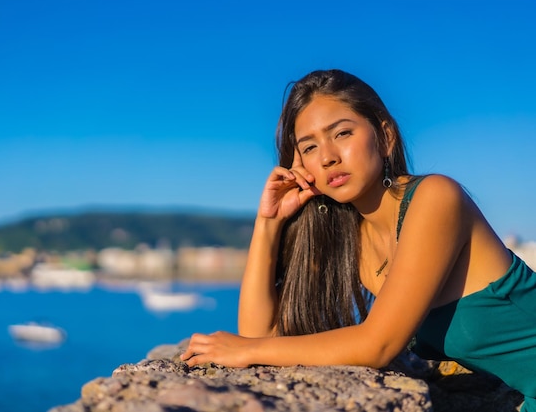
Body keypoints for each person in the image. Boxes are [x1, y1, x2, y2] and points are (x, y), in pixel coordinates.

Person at [180, 69, 536, 411]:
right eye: (309, 147)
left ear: (385, 137)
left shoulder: (435, 197)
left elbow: (376, 344)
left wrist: (246, 351)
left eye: (342, 133)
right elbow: (259, 333)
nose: (328, 157)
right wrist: (268, 223)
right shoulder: (350, 240)